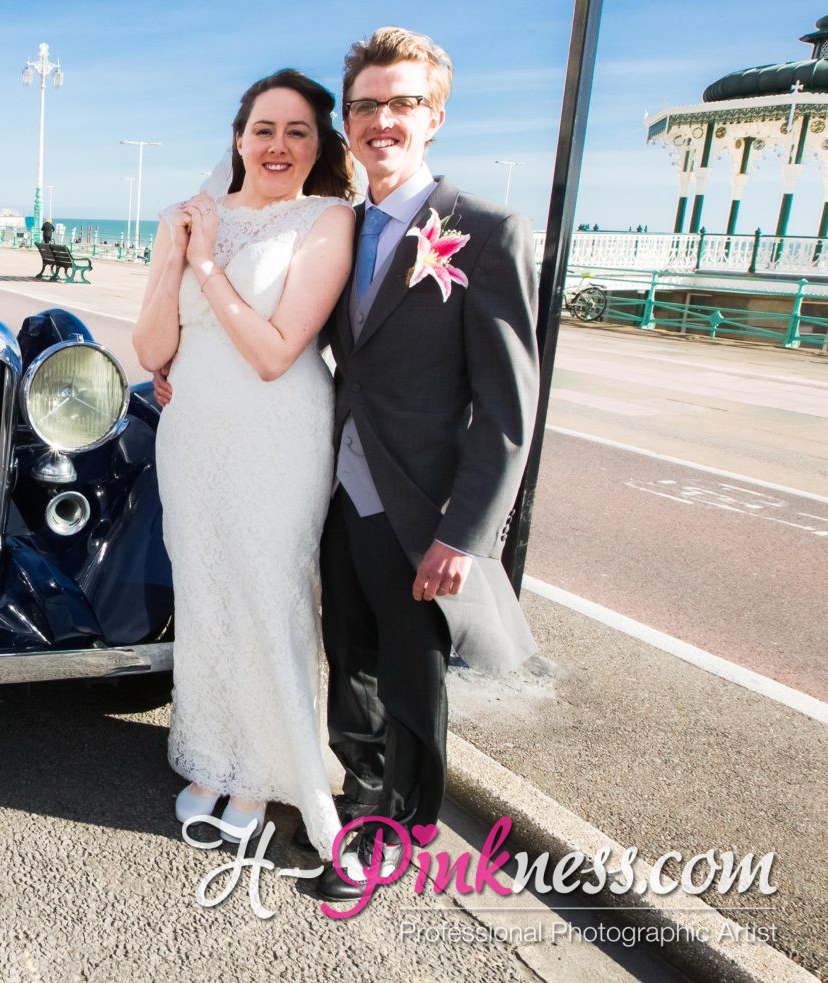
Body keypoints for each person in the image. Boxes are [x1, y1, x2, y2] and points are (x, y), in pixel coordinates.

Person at [311, 27, 540, 900]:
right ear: (348, 119)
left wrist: (465, 534)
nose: (382, 120)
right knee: (349, 663)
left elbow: (508, 411)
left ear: (434, 116)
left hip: (420, 509)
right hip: (338, 493)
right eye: (366, 105)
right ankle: (359, 797)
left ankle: (399, 830)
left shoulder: (486, 233)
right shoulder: (341, 227)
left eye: (402, 103)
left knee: (412, 682)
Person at [132, 69, 356, 859]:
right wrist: (175, 253)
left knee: (269, 591)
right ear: (238, 138)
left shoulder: (328, 219)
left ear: (319, 146)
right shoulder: (190, 216)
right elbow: (153, 348)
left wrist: (205, 266)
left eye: (298, 132)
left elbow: (274, 352)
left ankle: (261, 769)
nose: (278, 145)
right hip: (193, 430)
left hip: (279, 429)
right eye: (264, 129)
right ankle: (211, 751)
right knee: (206, 591)